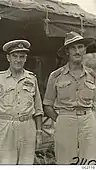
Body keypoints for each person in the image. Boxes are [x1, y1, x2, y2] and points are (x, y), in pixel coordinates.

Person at [0, 39, 44, 164]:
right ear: (8, 58)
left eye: (22, 57)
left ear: (26, 58)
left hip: (27, 127)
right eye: (14, 56)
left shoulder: (32, 79)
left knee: (26, 163)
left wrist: (39, 132)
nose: (18, 60)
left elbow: (38, 108)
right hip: (4, 127)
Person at [43, 31, 96, 164]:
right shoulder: (56, 76)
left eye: (80, 47)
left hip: (88, 119)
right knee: (65, 160)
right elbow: (47, 105)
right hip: (66, 119)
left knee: (89, 160)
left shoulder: (92, 75)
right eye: (73, 48)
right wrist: (61, 119)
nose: (77, 51)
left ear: (84, 50)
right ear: (67, 51)